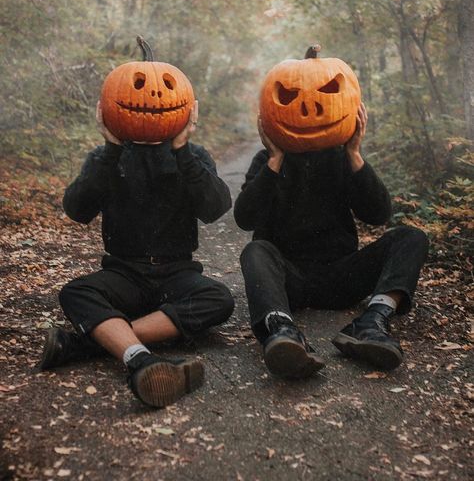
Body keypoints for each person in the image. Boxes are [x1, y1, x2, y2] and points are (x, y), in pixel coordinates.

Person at [38, 101, 234, 407]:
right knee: (76, 292)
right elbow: (77, 210)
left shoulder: (193, 156)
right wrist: (111, 148)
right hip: (124, 274)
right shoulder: (106, 158)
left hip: (177, 275)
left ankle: (90, 344)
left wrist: (182, 150)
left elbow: (215, 208)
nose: (151, 107)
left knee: (219, 298)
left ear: (187, 109)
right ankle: (140, 359)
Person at [234, 103, 428, 378]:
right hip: (289, 283)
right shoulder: (266, 160)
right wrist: (275, 160)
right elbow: (245, 218)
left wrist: (354, 154)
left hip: (341, 276)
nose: (306, 113)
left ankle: (373, 321)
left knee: (411, 237)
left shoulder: (342, 158)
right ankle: (282, 330)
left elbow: (379, 214)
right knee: (255, 251)